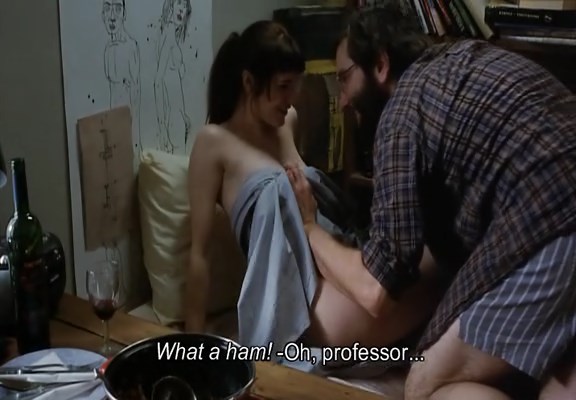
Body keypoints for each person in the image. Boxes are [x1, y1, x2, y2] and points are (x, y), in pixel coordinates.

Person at [285, 3, 576, 399]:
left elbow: (376, 290)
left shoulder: (402, 112)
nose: (345, 100)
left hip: (555, 222)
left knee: (426, 384)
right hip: (555, 210)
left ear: (380, 64)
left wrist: (309, 226)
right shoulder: (462, 61)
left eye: (344, 78)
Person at [186, 20, 443, 351]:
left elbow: (314, 209)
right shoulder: (213, 142)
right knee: (417, 287)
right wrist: (190, 344)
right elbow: (200, 254)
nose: (292, 98)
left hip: (337, 253)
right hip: (297, 288)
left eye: (296, 85)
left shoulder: (288, 121)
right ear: (249, 82)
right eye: (283, 86)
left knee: (440, 253)